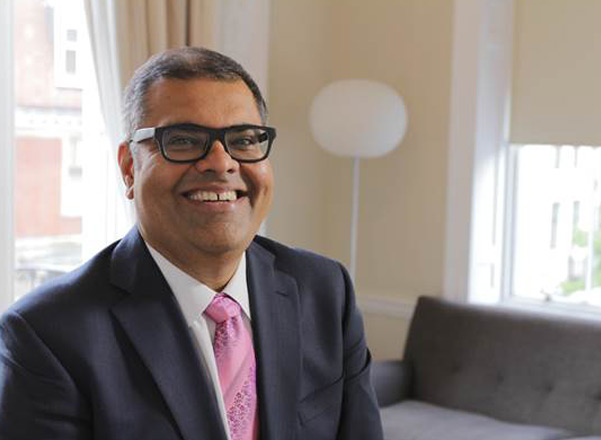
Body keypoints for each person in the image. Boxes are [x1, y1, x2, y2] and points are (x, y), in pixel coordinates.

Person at [0, 47, 383, 440]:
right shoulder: (48, 333)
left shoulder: (325, 289)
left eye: (244, 139)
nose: (220, 163)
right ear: (130, 169)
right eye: (182, 140)